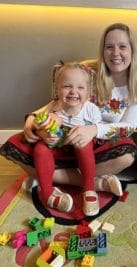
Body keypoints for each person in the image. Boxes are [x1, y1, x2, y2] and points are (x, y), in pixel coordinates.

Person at [0, 23, 137, 196]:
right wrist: (32, 118)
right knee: (15, 143)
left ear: (132, 50)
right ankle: (94, 182)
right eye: (109, 47)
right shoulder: (88, 70)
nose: (116, 53)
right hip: (62, 136)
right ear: (102, 50)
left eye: (122, 46)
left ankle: (46, 176)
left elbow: (128, 127)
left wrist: (93, 130)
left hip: (98, 143)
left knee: (127, 155)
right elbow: (59, 100)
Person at [33, 62, 104, 216]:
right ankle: (46, 192)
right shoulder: (53, 106)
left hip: (82, 144)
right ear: (57, 90)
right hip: (59, 145)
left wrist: (90, 134)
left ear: (88, 92)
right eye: (67, 86)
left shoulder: (91, 110)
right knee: (40, 148)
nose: (73, 92)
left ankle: (89, 188)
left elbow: (99, 130)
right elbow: (37, 120)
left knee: (84, 143)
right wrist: (43, 131)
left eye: (80, 87)